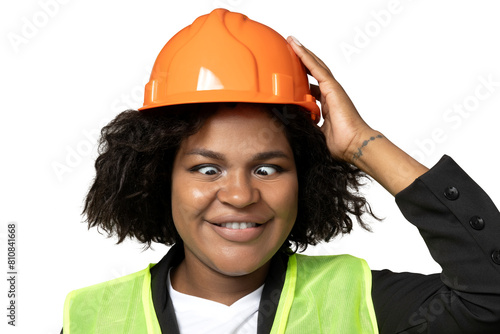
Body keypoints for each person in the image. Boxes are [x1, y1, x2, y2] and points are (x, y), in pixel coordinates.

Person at [62, 8, 500, 333]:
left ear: (305, 182)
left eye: (268, 169)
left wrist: (359, 143)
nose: (239, 195)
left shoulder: (361, 302)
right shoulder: (90, 318)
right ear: (160, 180)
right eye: (208, 169)